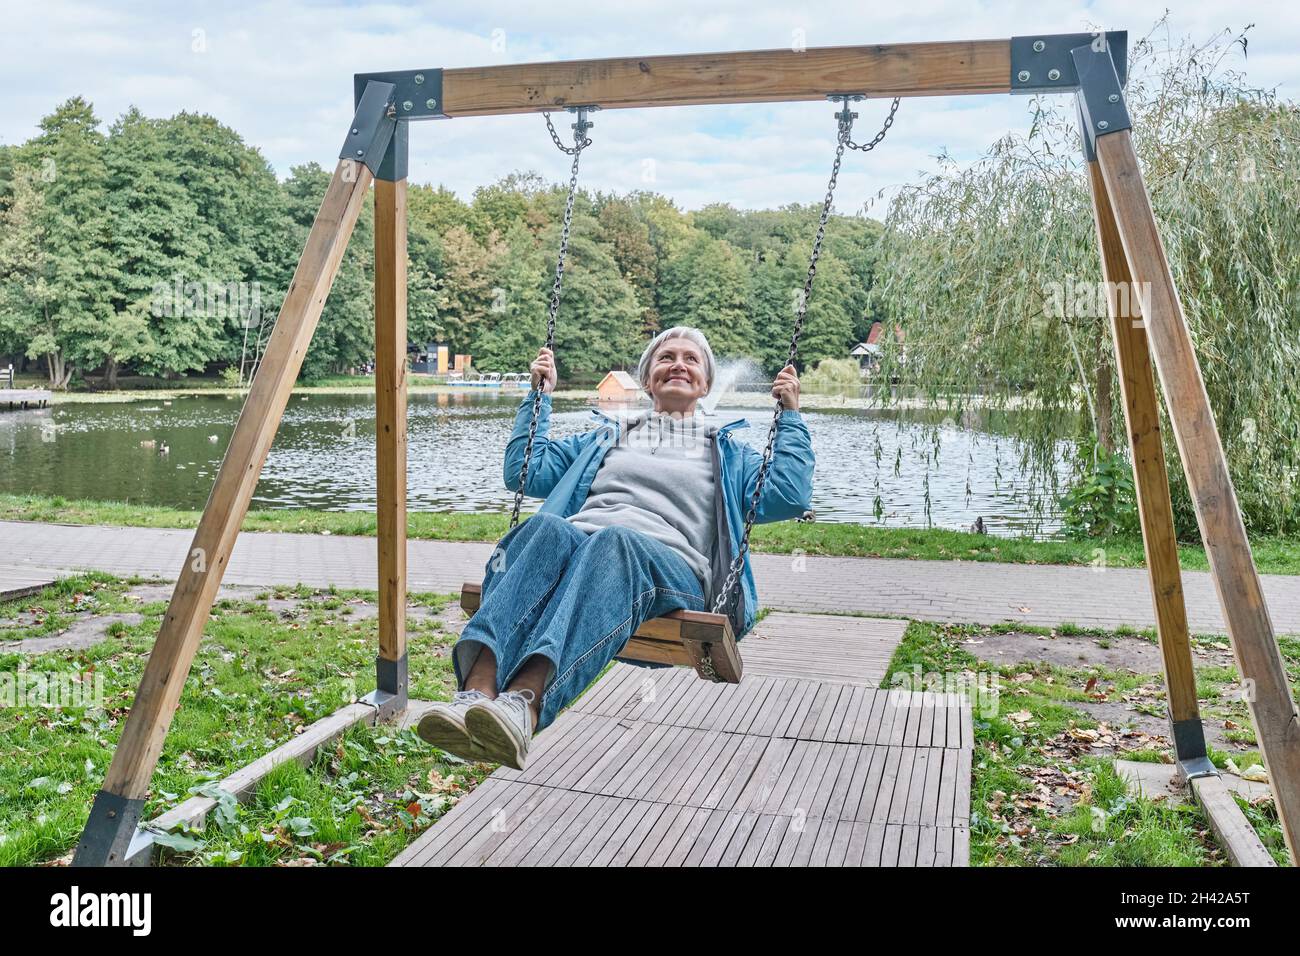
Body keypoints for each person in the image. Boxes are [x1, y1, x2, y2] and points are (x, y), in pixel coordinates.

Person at [417, 326, 814, 769]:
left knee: (615, 541)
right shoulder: (606, 437)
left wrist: (791, 416)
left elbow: (789, 495)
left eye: (691, 359)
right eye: (666, 357)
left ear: (705, 384)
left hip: (671, 571)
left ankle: (523, 705)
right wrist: (539, 398)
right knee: (547, 527)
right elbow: (524, 472)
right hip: (586, 549)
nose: (678, 364)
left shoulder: (729, 454)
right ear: (647, 380)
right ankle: (476, 693)